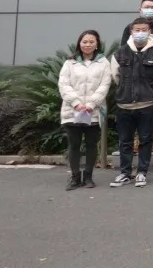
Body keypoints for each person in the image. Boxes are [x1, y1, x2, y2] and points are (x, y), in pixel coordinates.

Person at [109, 19, 153, 188]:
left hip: (146, 104)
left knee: (146, 140)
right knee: (125, 141)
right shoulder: (120, 53)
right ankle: (125, 172)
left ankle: (142, 172)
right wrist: (125, 89)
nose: (140, 33)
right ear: (131, 32)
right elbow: (115, 76)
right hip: (124, 104)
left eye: (143, 30)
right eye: (137, 30)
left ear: (149, 32)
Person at [58, 29, 112, 190]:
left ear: (97, 45)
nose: (88, 45)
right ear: (79, 44)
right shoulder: (70, 63)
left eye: (91, 42)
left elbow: (105, 85)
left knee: (91, 144)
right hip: (72, 110)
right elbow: (63, 84)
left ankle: (88, 176)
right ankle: (75, 177)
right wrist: (76, 103)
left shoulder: (104, 63)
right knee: (74, 145)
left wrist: (91, 104)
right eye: (84, 42)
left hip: (93, 111)